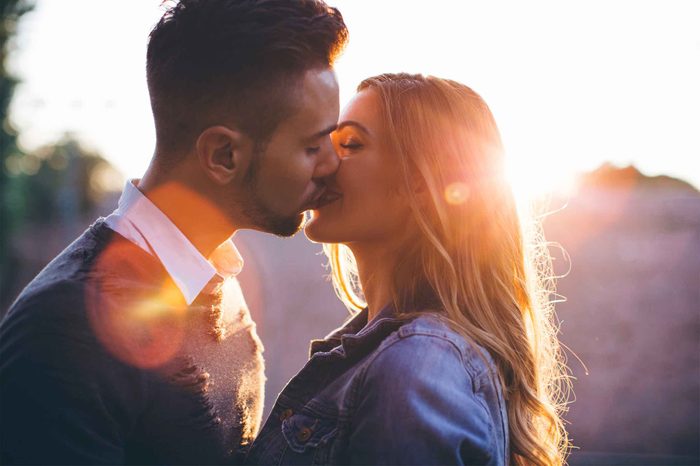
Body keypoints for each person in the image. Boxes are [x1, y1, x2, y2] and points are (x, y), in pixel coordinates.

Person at [0, 1, 347, 464]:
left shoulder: (211, 275)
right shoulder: (63, 333)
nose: (332, 163)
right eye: (311, 146)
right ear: (223, 155)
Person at [245, 74, 570, 466]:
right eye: (325, 142)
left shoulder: (415, 367)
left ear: (421, 182)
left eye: (349, 144)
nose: (324, 161)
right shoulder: (393, 354)